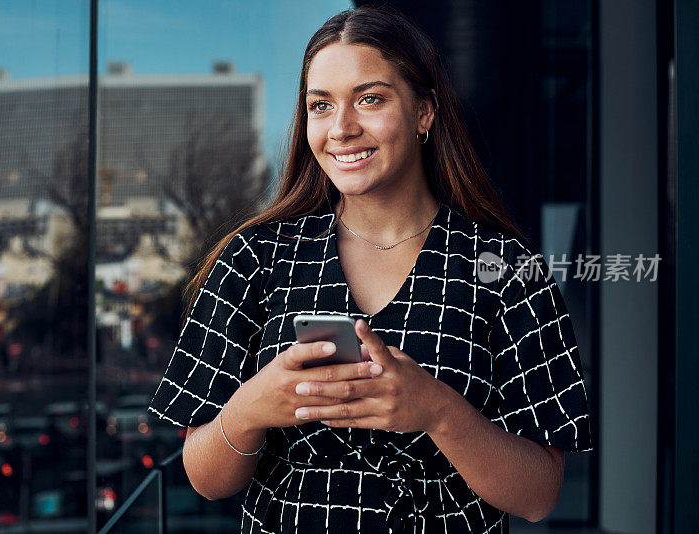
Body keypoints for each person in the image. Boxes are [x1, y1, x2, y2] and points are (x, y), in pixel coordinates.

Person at [148, 5, 592, 533]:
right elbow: (205, 479)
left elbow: (539, 495)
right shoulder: (255, 259)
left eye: (370, 98)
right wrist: (252, 408)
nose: (342, 128)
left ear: (424, 112)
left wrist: (437, 411)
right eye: (321, 106)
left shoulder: (508, 268)